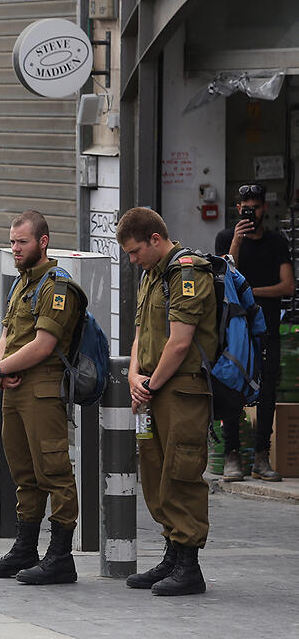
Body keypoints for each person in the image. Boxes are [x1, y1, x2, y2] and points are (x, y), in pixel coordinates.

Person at [0, 211, 82, 585]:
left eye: (22, 242)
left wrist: (0, 369)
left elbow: (44, 344)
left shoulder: (57, 287)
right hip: (15, 388)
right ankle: (25, 549)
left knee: (54, 470)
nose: (15, 249)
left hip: (42, 390)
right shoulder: (22, 283)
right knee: (24, 472)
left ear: (43, 242)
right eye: (12, 242)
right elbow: (6, 333)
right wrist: (0, 366)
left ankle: (61, 556)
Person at [116, 207, 216, 596]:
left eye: (135, 251)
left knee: (181, 471)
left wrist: (150, 385)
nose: (132, 259)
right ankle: (172, 554)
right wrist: (133, 376)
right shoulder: (151, 275)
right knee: (155, 471)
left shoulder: (187, 273)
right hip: (153, 390)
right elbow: (141, 333)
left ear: (155, 239)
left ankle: (189, 565)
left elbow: (180, 343)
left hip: (182, 391)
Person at [214, 183, 293, 481]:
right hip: (236, 329)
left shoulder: (276, 242)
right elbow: (225, 275)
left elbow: (288, 285)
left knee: (268, 390)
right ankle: (232, 454)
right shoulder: (227, 238)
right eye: (246, 208)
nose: (251, 213)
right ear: (238, 209)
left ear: (265, 208)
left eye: (256, 207)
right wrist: (236, 241)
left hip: (267, 327)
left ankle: (262, 456)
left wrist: (249, 292)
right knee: (233, 386)